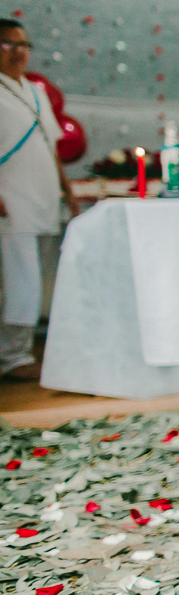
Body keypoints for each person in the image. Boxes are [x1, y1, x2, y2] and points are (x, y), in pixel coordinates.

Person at [0, 19, 80, 380]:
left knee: (38, 274)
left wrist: (67, 190)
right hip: (9, 197)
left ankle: (24, 348)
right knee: (19, 276)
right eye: (7, 44)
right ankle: (12, 356)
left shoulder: (34, 90)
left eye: (23, 45)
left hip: (42, 194)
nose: (18, 52)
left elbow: (51, 145)